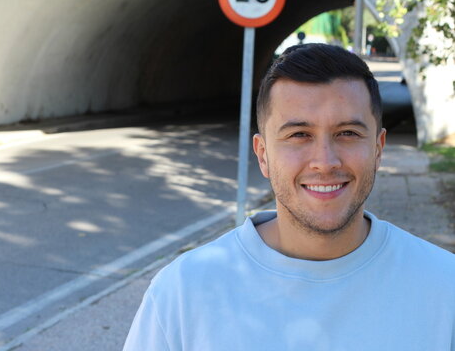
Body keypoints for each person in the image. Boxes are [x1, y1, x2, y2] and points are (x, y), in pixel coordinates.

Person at [123, 44, 455, 350]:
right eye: (299, 135)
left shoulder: (444, 288)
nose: (325, 161)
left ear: (379, 149)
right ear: (263, 154)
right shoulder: (182, 293)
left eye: (348, 134)